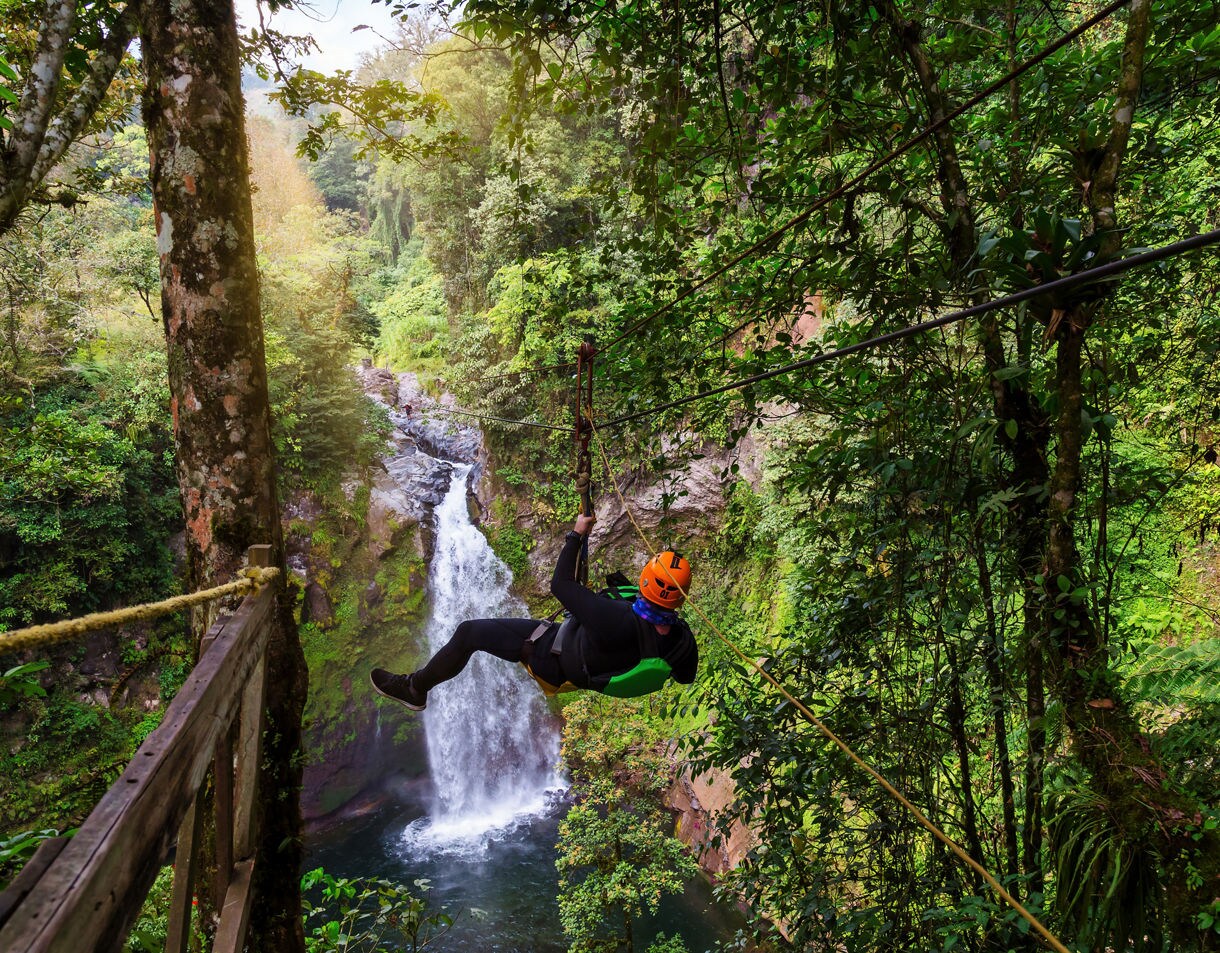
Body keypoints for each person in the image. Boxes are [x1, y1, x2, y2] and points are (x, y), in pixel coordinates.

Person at [370, 514, 698, 710]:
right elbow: (684, 677)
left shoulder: (614, 618)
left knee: (469, 632)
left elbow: (561, 585)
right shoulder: (684, 642)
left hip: (550, 655)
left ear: (645, 581)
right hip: (586, 670)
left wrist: (576, 534)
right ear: (680, 598)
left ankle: (415, 688)